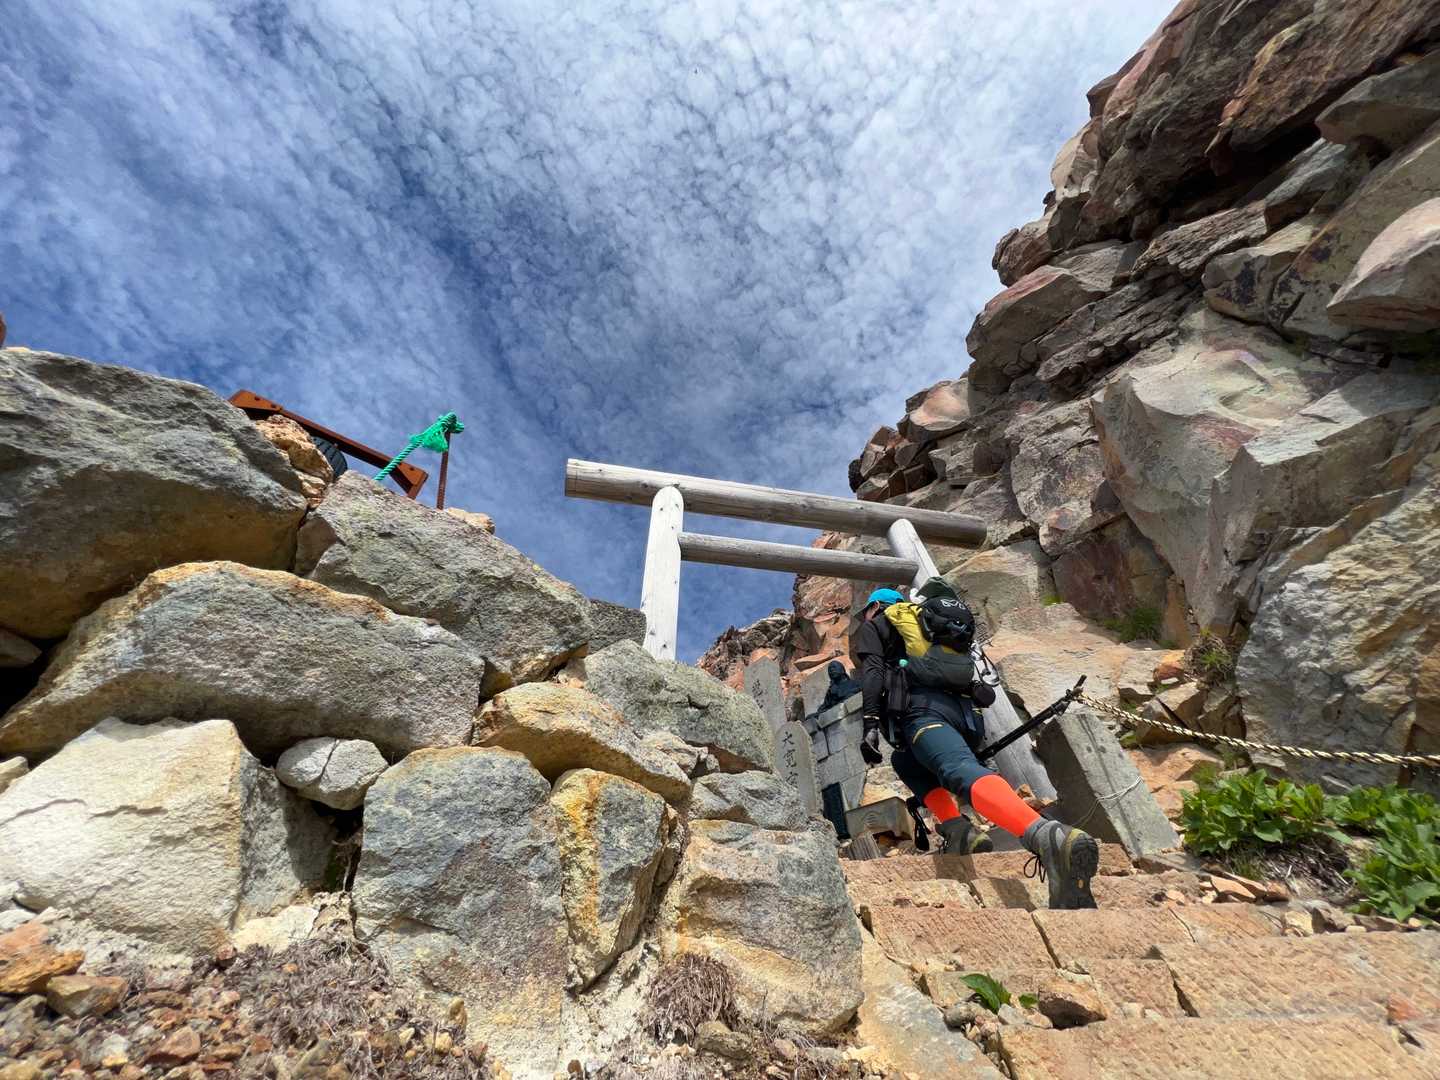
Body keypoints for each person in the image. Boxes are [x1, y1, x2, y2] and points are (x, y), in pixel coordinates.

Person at [852, 586, 1099, 909]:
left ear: (875, 607)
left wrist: (870, 722)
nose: (865, 618)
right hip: (967, 718)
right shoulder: (932, 627)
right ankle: (959, 831)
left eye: (866, 612)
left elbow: (872, 672)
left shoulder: (879, 625)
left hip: (924, 713)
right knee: (905, 762)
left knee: (958, 770)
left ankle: (1047, 836)